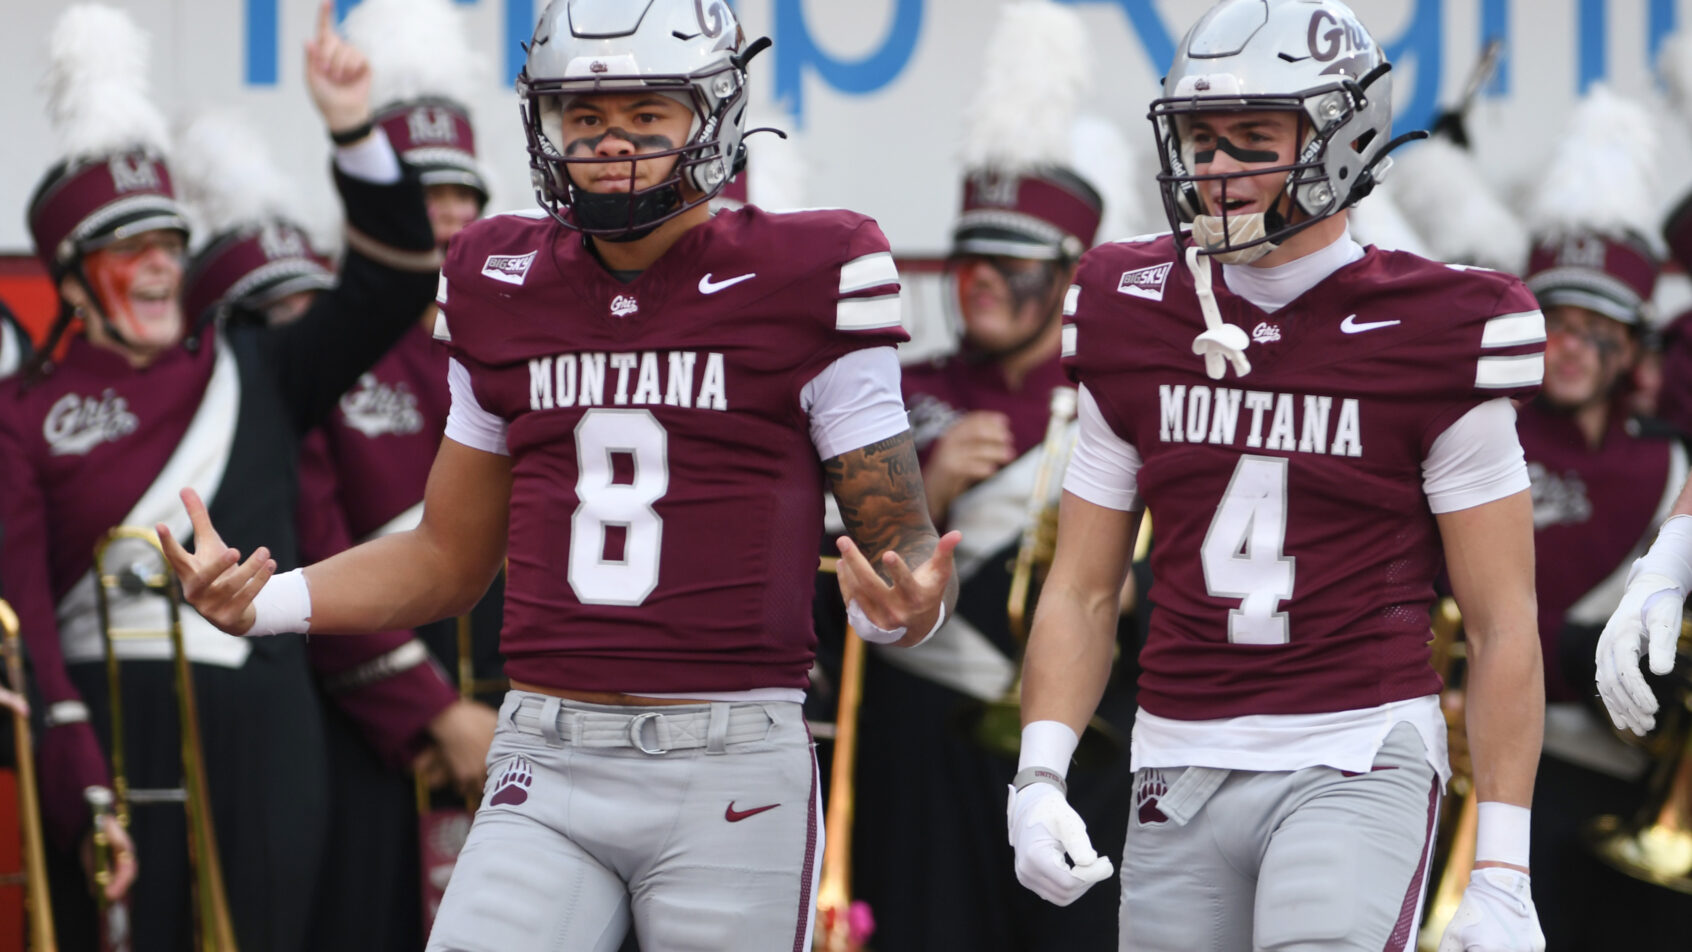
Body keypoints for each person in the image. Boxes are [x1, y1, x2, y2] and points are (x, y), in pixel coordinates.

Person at [160, 1, 959, 950]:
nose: (610, 141)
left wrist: (901, 605)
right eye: (583, 115)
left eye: (645, 113)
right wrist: (269, 603)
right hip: (545, 751)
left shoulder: (812, 270)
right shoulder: (500, 280)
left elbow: (899, 544)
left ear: (713, 113)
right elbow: (448, 559)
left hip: (729, 763)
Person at [1005, 1, 1548, 949]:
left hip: (1355, 752)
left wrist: (1503, 867)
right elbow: (1085, 588)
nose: (1217, 169)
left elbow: (1503, 620)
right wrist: (1039, 775)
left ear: (1344, 138)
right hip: (1175, 755)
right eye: (1201, 139)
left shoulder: (1442, 325)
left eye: (1254, 137)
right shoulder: (1126, 305)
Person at [0, 4, 439, 948]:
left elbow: (396, 279)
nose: (159, 264)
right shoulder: (22, 410)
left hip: (268, 729)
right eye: (128, 249)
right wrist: (76, 776)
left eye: (168, 241)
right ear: (72, 281)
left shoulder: (259, 366)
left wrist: (351, 126)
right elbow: (23, 615)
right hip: (110, 728)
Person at [851, 6, 1139, 948]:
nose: (978, 281)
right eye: (970, 258)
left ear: (1065, 277)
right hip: (918, 742)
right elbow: (829, 572)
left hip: (1080, 749)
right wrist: (920, 487)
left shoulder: (1115, 398)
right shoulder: (895, 389)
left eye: (1009, 264)